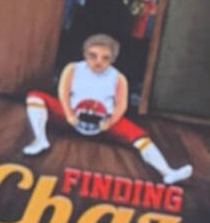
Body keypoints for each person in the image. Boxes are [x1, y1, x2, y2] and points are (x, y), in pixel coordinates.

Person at [22, 33, 191, 185]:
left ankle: (167, 172)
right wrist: (69, 114)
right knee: (35, 96)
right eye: (93, 56)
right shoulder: (72, 68)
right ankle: (40, 139)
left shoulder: (118, 78)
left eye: (105, 58)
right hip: (72, 113)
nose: (98, 61)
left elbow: (121, 104)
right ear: (85, 53)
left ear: (112, 59)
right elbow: (63, 92)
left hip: (103, 120)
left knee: (140, 137)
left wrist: (109, 123)